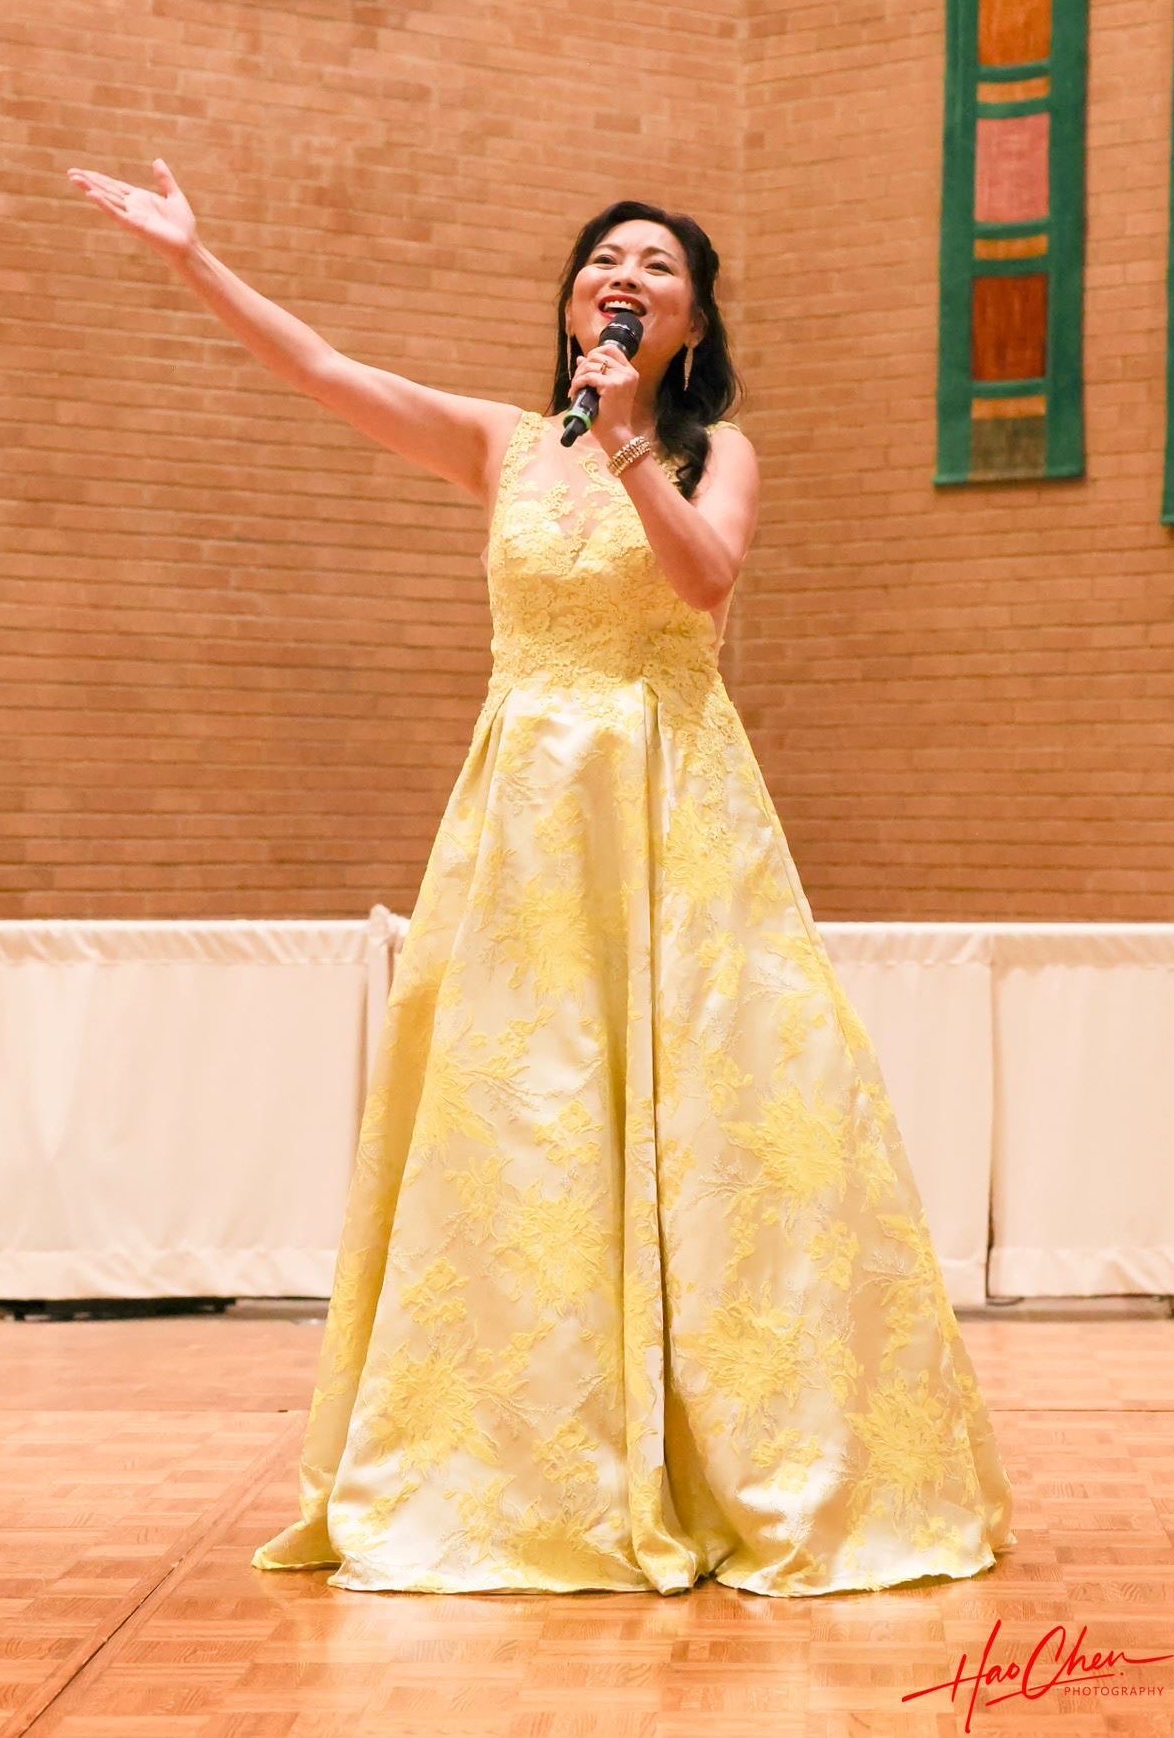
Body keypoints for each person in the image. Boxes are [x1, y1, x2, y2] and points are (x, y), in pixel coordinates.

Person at [67, 160, 1017, 1597]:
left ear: (691, 324)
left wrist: (631, 445)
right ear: (575, 300)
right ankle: (520, 1458)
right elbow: (323, 370)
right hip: (526, 826)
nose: (623, 277)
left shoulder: (715, 451)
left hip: (674, 805)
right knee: (525, 1119)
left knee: (728, 1114)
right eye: (604, 260)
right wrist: (196, 260)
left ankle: (739, 1450)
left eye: (657, 268)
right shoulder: (501, 443)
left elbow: (705, 584)